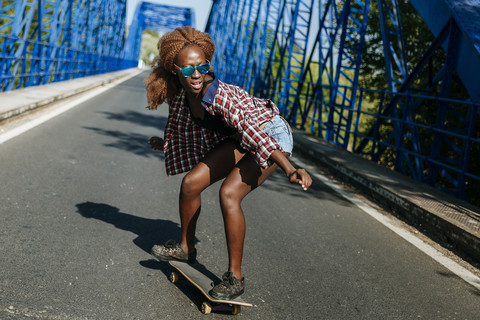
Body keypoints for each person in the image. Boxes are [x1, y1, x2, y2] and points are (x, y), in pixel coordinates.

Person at [144, 26, 312, 300]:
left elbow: (253, 132)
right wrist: (162, 143)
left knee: (229, 193)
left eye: (202, 67)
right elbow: (178, 125)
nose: (196, 75)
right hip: (241, 137)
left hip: (270, 133)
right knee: (190, 184)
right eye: (188, 70)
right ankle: (186, 249)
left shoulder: (218, 95)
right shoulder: (180, 94)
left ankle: (235, 278)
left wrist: (290, 169)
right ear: (175, 70)